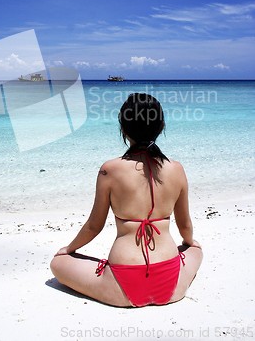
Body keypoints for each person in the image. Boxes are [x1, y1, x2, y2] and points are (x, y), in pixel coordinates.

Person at [50, 93, 203, 307]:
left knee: (58, 263)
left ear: (123, 128)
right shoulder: (176, 169)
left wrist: (69, 248)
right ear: (161, 126)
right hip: (171, 282)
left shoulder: (109, 170)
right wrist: (188, 244)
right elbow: (185, 225)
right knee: (196, 249)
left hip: (122, 285)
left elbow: (94, 226)